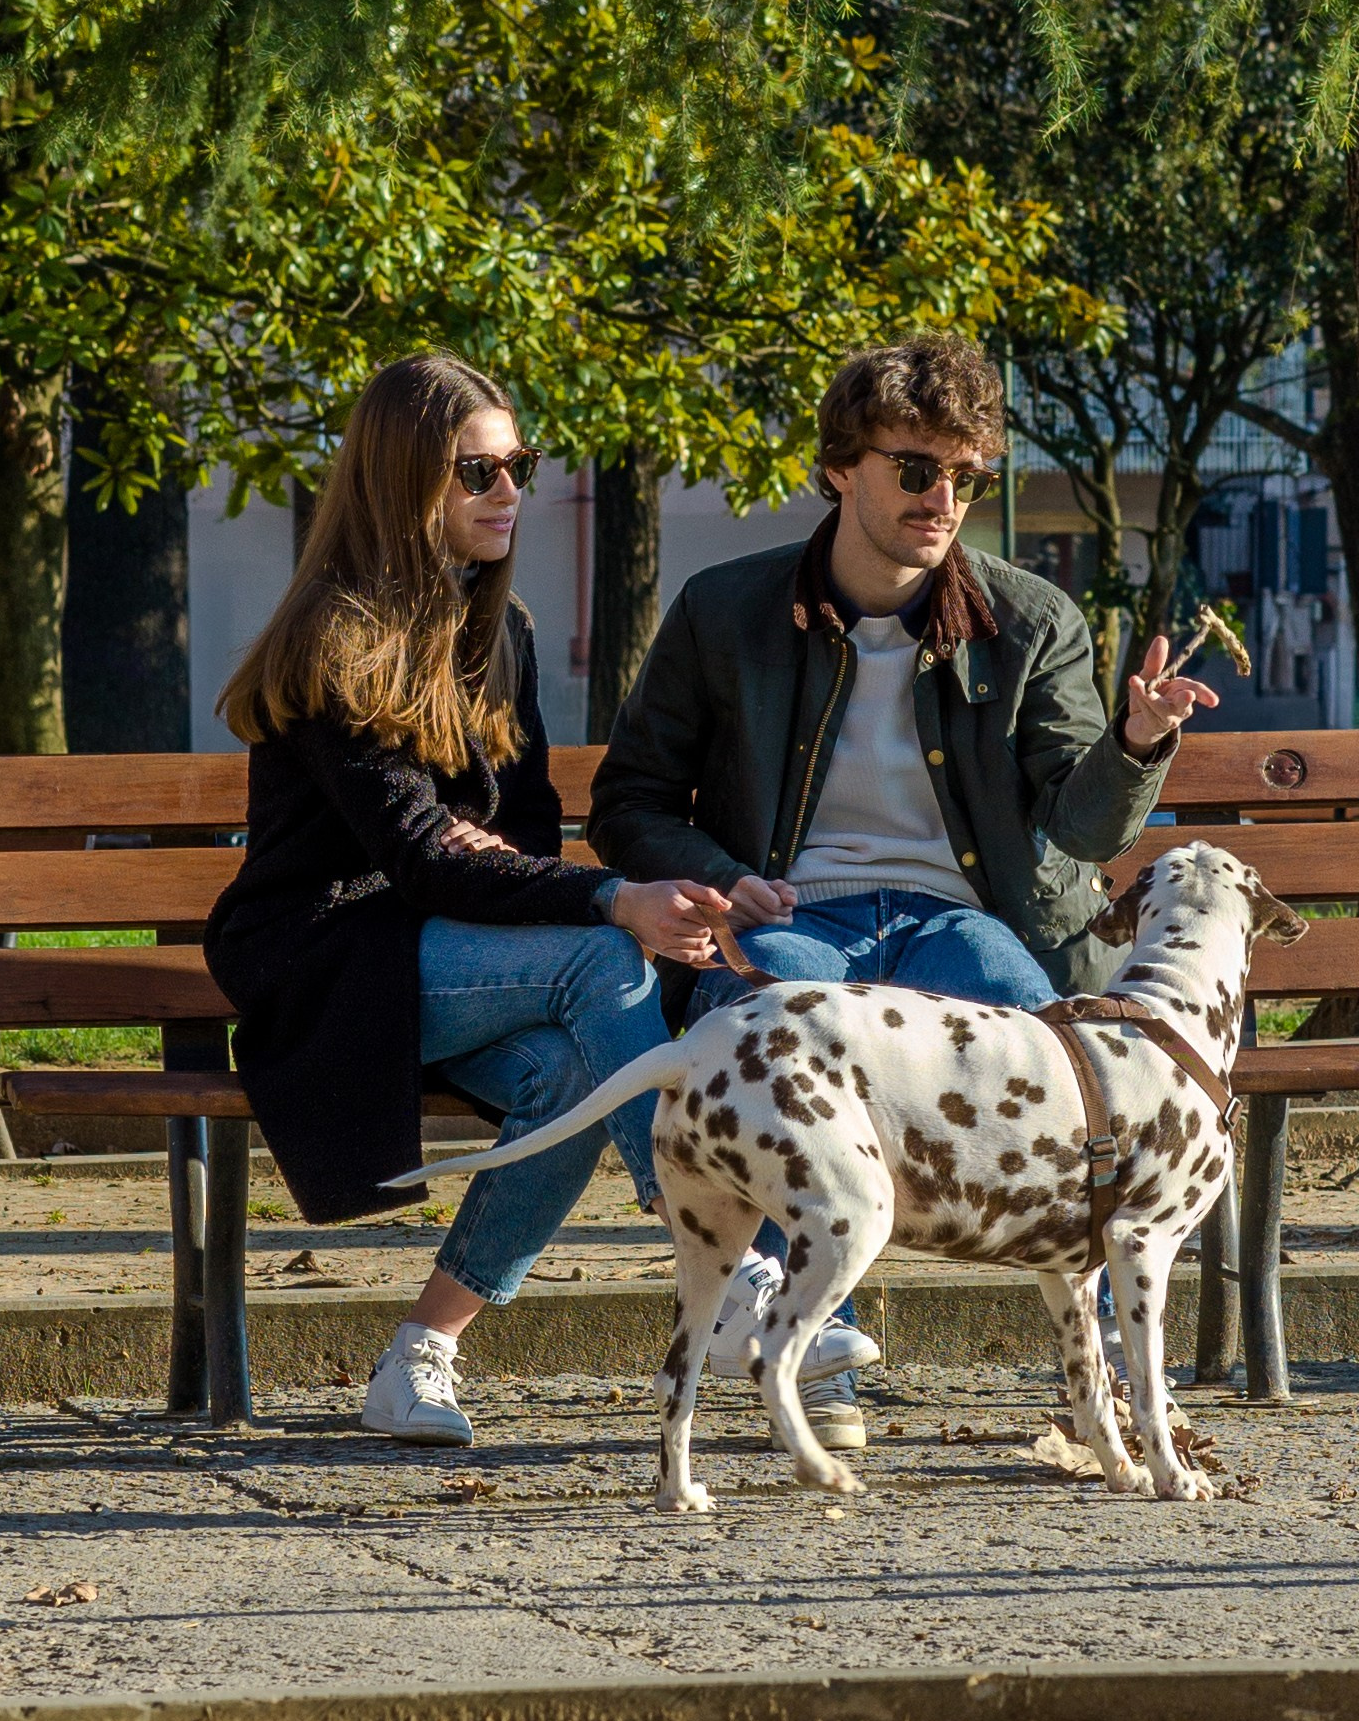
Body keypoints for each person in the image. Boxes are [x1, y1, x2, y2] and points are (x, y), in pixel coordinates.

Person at [206, 354, 869, 1451]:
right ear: (402, 477)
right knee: (599, 960)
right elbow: (421, 856)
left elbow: (511, 838)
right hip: (328, 958)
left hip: (441, 944)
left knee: (571, 1074)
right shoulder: (335, 638)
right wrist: (606, 894)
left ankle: (417, 1353)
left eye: (520, 464)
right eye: (477, 471)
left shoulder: (494, 631)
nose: (508, 489)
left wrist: (498, 864)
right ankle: (729, 1268)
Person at [589, 333, 1217, 1449]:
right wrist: (725, 879)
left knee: (1038, 1043)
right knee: (772, 1031)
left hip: (957, 922)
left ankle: (1099, 1382)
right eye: (916, 470)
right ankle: (803, 1348)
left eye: (966, 477)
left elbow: (1080, 829)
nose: (943, 500)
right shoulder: (723, 611)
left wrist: (1133, 742)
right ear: (841, 466)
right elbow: (629, 800)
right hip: (794, 916)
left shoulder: (1029, 620)